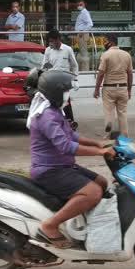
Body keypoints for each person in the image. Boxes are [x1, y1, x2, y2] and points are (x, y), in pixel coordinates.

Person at [28, 70, 116, 248]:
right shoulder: (46, 116)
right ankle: (49, 225)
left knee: (102, 182)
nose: (68, 95)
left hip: (62, 166)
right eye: (65, 91)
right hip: (49, 170)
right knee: (93, 192)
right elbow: (66, 146)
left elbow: (71, 135)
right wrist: (99, 152)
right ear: (55, 93)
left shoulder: (54, 111)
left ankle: (80, 223)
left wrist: (98, 143)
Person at [94, 34, 133, 137]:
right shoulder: (126, 55)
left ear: (111, 42)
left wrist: (96, 89)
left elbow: (101, 74)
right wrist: (129, 90)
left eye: (105, 41)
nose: (104, 44)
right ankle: (124, 137)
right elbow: (130, 74)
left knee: (109, 114)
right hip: (123, 88)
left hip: (109, 89)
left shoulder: (106, 55)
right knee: (123, 114)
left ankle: (108, 138)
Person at [43, 29, 79, 122]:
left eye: (52, 41)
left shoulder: (67, 49)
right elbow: (44, 67)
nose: (50, 43)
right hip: (52, 82)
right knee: (53, 104)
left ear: (58, 39)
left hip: (64, 82)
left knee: (65, 102)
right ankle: (54, 123)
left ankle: (70, 123)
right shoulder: (48, 50)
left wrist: (75, 79)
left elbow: (74, 66)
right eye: (49, 41)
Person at [75, 0, 94, 71]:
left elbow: (90, 24)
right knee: (82, 52)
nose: (79, 6)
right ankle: (82, 69)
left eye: (81, 5)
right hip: (81, 34)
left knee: (84, 54)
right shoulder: (81, 13)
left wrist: (82, 32)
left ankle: (85, 70)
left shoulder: (84, 12)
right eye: (78, 5)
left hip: (82, 35)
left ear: (84, 5)